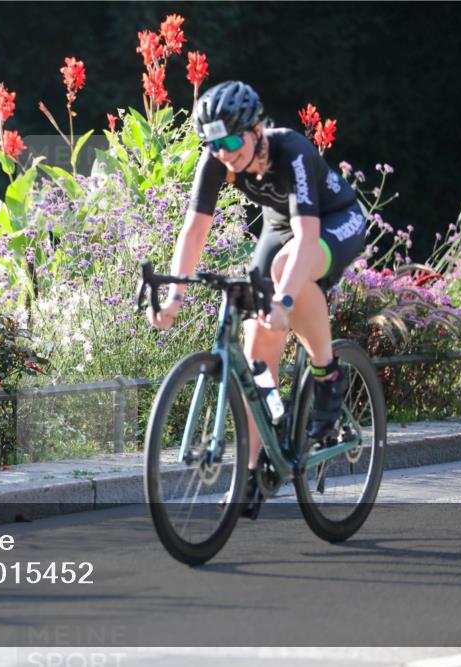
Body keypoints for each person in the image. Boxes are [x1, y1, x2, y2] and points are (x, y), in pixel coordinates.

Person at [146, 80, 368, 514]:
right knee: (254, 356)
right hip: (279, 228)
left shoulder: (291, 150)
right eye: (213, 144)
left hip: (333, 221)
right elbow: (194, 231)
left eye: (231, 141)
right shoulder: (216, 160)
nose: (224, 152)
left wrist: (284, 301)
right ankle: (252, 475)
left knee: (284, 273)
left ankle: (328, 375)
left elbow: (306, 237)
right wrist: (175, 297)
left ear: (256, 130)